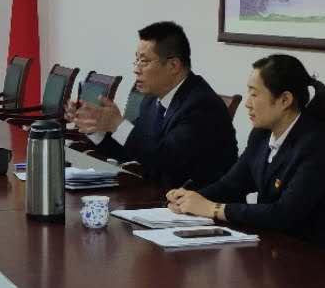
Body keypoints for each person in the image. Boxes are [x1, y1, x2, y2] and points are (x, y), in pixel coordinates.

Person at [166, 54, 325, 255]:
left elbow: (284, 213)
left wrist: (213, 209)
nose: (247, 103)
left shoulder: (318, 145)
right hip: (280, 246)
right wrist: (191, 198)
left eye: (254, 94)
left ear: (285, 100)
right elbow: (231, 185)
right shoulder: (261, 135)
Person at [71, 21, 238, 190]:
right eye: (136, 60)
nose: (136, 69)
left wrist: (118, 125)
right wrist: (94, 128)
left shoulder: (202, 105)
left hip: (197, 202)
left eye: (144, 61)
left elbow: (166, 158)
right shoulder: (151, 100)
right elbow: (134, 150)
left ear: (173, 65)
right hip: (158, 198)